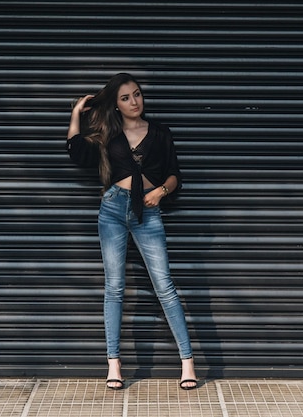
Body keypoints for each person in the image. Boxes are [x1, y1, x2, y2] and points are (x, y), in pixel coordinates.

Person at [66, 73, 198, 391]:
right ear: (116, 103)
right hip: (112, 210)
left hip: (149, 212)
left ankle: (188, 363)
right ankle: (114, 364)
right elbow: (75, 151)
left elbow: (174, 173)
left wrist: (161, 192)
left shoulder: (161, 133)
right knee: (114, 288)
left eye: (137, 94)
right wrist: (75, 114)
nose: (134, 102)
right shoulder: (106, 134)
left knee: (164, 286)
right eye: (125, 98)